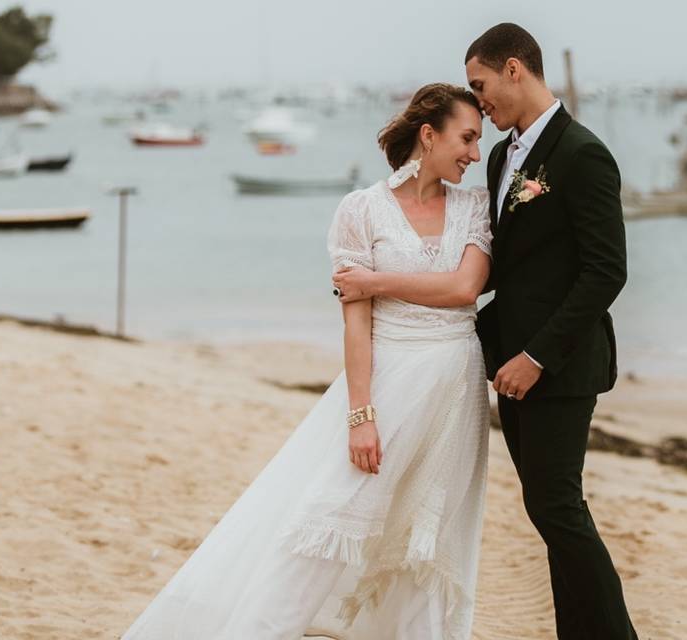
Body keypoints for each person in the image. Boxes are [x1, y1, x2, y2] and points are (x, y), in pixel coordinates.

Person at [120, 83, 494, 639]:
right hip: (388, 385)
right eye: (466, 138)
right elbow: (357, 321)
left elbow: (465, 288)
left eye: (479, 141)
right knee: (328, 519)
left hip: (455, 395)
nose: (474, 152)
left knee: (428, 538)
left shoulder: (474, 206)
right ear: (428, 134)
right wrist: (361, 413)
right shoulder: (361, 210)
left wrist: (374, 280)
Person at [335, 23, 639, 640]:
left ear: (514, 70)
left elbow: (607, 271)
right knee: (549, 512)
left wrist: (537, 356)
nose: (481, 101)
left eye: (481, 85)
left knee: (557, 507)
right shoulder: (503, 157)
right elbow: (504, 262)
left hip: (559, 363)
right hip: (506, 368)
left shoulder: (583, 153)